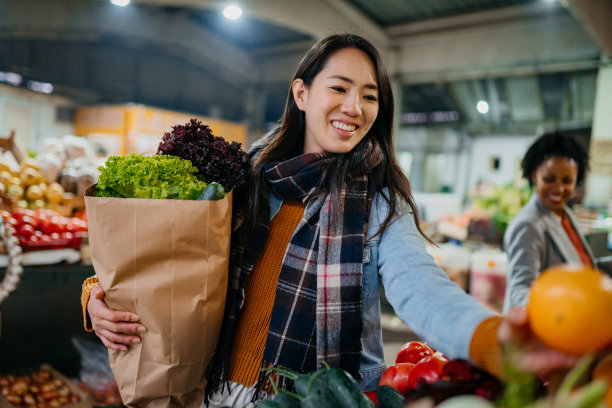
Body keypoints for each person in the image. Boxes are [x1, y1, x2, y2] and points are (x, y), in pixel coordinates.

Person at [82, 34, 580, 407]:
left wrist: (494, 339)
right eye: (339, 88)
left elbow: (421, 287)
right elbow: (170, 256)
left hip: (312, 399)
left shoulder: (382, 203)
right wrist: (96, 297)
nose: (354, 107)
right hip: (209, 391)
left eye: (369, 95)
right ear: (301, 93)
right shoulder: (246, 179)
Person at [502, 132, 593, 314]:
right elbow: (521, 292)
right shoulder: (528, 225)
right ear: (534, 175)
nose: (558, 189)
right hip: (548, 329)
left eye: (567, 181)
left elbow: (580, 264)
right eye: (549, 179)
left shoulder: (564, 213)